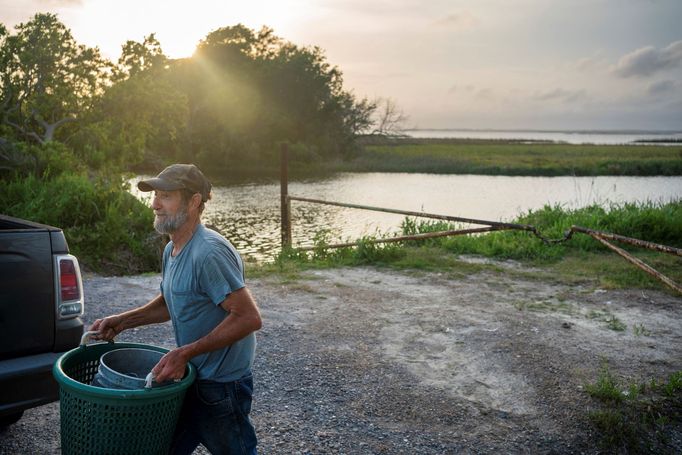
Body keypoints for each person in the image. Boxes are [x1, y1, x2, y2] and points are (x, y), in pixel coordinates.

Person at [90, 163, 262, 455]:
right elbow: (173, 302)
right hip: (191, 377)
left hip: (221, 387)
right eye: (155, 195)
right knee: (159, 447)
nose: (155, 204)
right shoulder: (172, 248)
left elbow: (248, 317)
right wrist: (123, 321)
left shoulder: (209, 252)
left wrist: (184, 352)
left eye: (166, 196)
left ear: (194, 202)